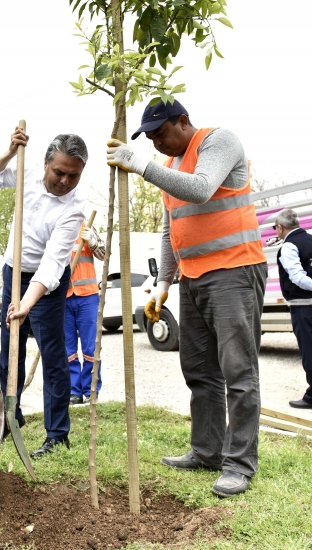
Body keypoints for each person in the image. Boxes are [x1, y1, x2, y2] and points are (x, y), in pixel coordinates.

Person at [107, 99, 267, 498]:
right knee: (199, 369)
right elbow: (169, 230)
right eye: (149, 139)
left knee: (238, 372)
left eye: (160, 133)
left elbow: (200, 190)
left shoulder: (218, 142)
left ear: (183, 122)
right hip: (193, 279)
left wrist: (142, 166)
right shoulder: (173, 167)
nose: (156, 143)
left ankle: (239, 464)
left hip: (234, 271)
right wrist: (163, 283)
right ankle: (207, 450)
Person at [0, 127, 87, 458]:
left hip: (46, 286)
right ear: (45, 163)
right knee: (10, 354)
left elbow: (53, 265)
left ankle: (57, 434)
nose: (65, 181)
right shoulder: (25, 172)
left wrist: (26, 303)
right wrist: (10, 150)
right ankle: (11, 417)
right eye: (59, 172)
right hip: (13, 270)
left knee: (53, 357)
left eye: (73, 175)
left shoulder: (74, 209)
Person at [274, 209, 312, 409]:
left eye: (275, 228)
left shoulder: (289, 246)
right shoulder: (310, 239)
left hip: (303, 308)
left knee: (309, 351)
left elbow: (297, 277)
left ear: (280, 227)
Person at [66, 222, 105, 405]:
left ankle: (91, 389)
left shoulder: (86, 226)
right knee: (68, 349)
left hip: (87, 296)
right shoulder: (54, 227)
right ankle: (74, 390)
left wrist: (93, 243)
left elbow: (104, 255)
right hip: (64, 296)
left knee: (91, 347)